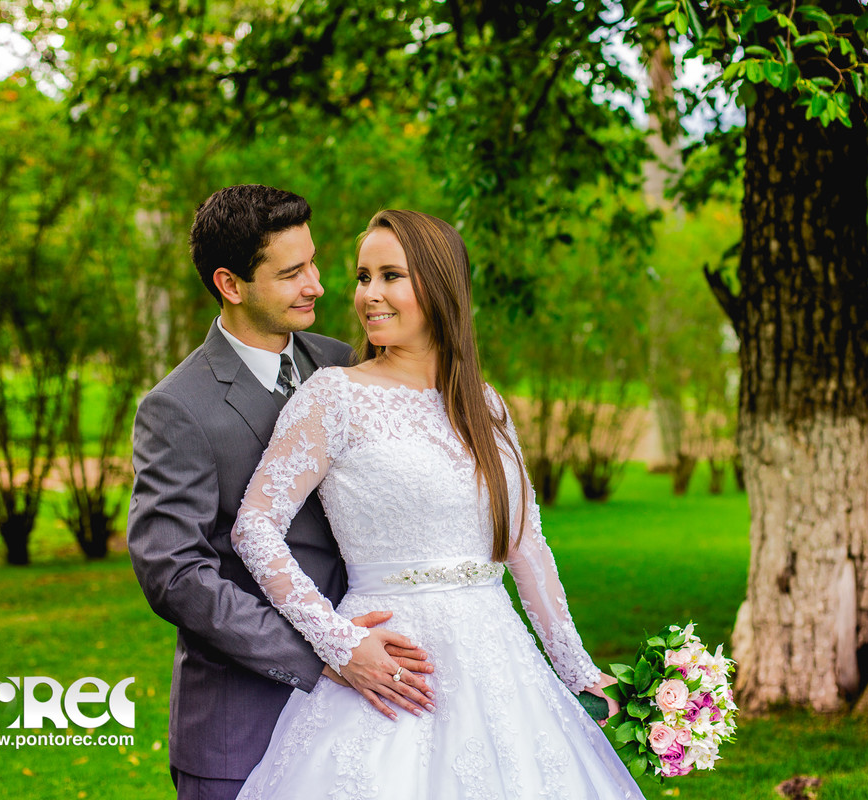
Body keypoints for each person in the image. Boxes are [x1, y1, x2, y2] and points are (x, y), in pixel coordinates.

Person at [231, 209, 646, 798]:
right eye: (362, 276)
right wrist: (338, 640)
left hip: (500, 662)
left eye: (390, 276)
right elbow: (254, 526)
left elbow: (525, 546)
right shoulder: (334, 396)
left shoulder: (485, 404)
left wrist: (577, 667)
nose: (369, 295)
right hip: (396, 665)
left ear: (439, 285)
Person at [127, 186, 434, 800]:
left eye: (315, 263)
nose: (317, 285)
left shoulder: (345, 363)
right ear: (231, 284)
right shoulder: (177, 408)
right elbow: (174, 574)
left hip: (372, 711)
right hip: (241, 721)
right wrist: (323, 650)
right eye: (292, 273)